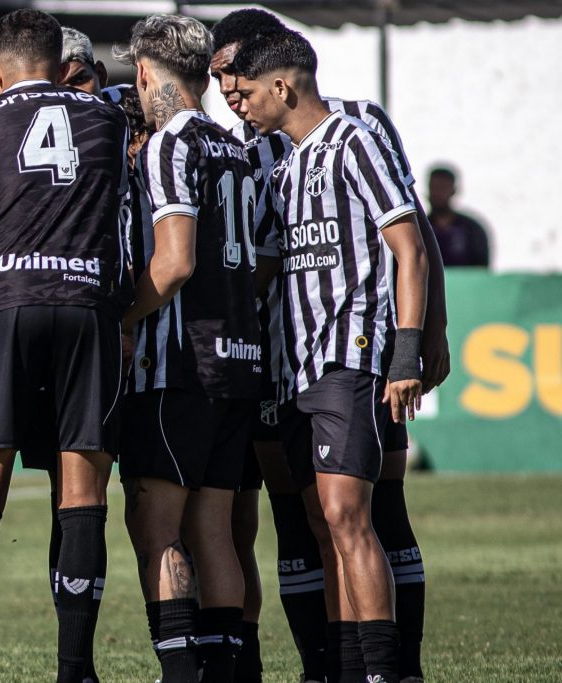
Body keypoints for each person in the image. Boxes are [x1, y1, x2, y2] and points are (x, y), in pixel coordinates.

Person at [214, 11, 442, 682]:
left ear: (282, 86)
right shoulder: (282, 168)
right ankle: (344, 666)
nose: (239, 104)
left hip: (350, 356)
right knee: (320, 523)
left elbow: (409, 246)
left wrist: (407, 352)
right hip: (292, 369)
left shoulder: (354, 138)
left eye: (247, 90)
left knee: (349, 514)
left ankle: (382, 669)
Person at [0, 9, 129, 683]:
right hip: (87, 306)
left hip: (5, 306)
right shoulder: (110, 122)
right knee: (82, 488)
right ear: (59, 61)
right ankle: (75, 670)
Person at [112, 14, 260, 683]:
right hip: (239, 362)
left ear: (145, 72)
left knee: (157, 529)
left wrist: (121, 315)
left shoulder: (173, 143)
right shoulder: (238, 147)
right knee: (215, 527)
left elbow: (172, 264)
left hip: (180, 367)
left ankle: (180, 674)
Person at [427, 166, 491, 267]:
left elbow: (481, 269)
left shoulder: (471, 230)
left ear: (453, 191)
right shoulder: (420, 229)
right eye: (434, 187)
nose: (437, 193)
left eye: (443, 188)